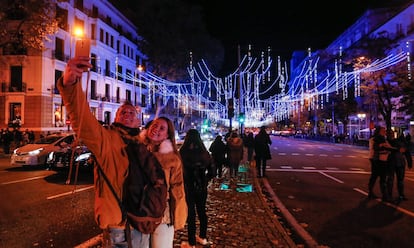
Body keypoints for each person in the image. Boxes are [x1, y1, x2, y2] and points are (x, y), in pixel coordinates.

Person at [58, 56, 151, 247]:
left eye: (131, 112)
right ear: (116, 117)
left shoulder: (144, 145)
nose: (126, 114)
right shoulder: (106, 139)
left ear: (138, 120)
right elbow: (82, 119)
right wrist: (70, 84)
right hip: (119, 223)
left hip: (142, 221)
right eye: (122, 112)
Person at [137, 116, 188, 248]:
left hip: (162, 214)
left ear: (167, 135)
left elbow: (177, 188)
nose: (156, 129)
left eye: (162, 128)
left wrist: (178, 216)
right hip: (138, 212)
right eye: (154, 125)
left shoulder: (171, 159)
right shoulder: (136, 150)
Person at [179, 129, 214, 248]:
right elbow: (212, 171)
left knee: (191, 214)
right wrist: (204, 180)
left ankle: (191, 242)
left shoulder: (182, 152)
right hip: (201, 186)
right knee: (202, 211)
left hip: (187, 186)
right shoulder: (204, 153)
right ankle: (203, 237)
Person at [372, 126, 395, 202]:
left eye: (385, 130)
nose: (384, 131)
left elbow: (388, 147)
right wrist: (382, 147)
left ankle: (385, 195)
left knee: (382, 178)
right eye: (383, 130)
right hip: (380, 160)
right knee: (380, 177)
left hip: (384, 160)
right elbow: (376, 148)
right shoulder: (377, 139)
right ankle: (384, 195)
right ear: (379, 131)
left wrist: (393, 149)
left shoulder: (384, 139)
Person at [387, 133, 411, 202]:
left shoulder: (401, 144)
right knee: (392, 179)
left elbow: (407, 152)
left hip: (398, 163)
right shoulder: (391, 142)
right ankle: (391, 195)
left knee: (399, 180)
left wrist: (409, 162)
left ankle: (400, 195)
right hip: (394, 163)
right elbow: (406, 152)